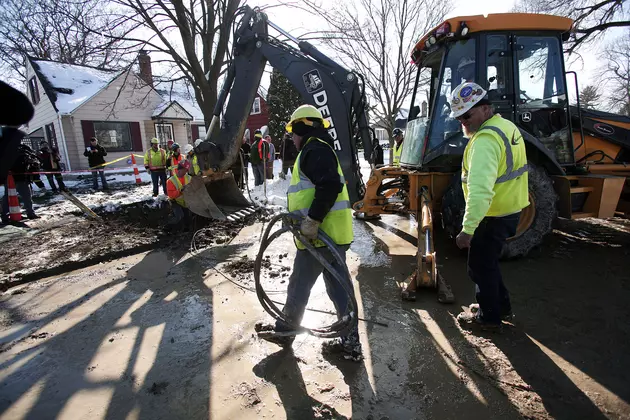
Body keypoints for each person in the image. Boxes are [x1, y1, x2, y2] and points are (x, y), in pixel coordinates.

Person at [255, 104, 361, 361]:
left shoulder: (314, 150)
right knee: (338, 289)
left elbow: (330, 186)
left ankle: (285, 331)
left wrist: (312, 220)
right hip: (331, 236)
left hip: (319, 238)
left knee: (299, 286)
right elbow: (313, 191)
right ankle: (350, 342)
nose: (292, 137)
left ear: (302, 127)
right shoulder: (321, 150)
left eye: (293, 131)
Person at [449, 82, 529, 332]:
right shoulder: (505, 126)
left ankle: (489, 318)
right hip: (508, 210)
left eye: (468, 115)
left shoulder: (485, 140)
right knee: (489, 263)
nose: (463, 121)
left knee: (480, 267)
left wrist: (467, 229)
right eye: (459, 117)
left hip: (491, 215)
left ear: (484, 109)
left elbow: (481, 191)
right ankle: (500, 307)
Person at [1, 145, 40, 222]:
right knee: (8, 198)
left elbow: (35, 162)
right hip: (11, 179)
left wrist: (32, 162)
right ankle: (5, 216)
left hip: (22, 179)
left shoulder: (25, 150)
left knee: (27, 197)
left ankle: (30, 213)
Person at [166, 160, 192, 231]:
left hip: (185, 202)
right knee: (179, 217)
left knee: (188, 218)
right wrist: (180, 191)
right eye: (185, 170)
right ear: (179, 170)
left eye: (187, 170)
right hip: (175, 202)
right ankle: (168, 226)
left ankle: (186, 229)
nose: (186, 172)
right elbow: (171, 195)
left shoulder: (189, 178)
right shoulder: (171, 181)